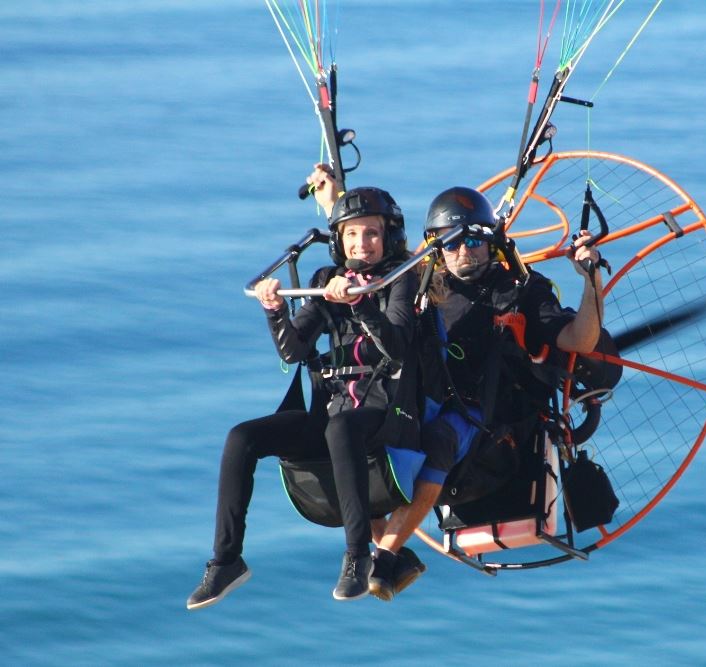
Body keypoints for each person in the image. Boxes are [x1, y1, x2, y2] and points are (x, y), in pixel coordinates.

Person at [186, 165, 420, 609]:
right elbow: (293, 351)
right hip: (331, 414)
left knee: (340, 429)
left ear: (388, 237)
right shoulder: (322, 281)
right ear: (339, 240)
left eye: (371, 234)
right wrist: (275, 310)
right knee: (243, 437)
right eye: (351, 236)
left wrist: (363, 302)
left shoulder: (399, 279)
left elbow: (397, 346)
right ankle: (225, 561)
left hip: (384, 413)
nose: (361, 244)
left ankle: (357, 557)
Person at [366, 186, 605, 601]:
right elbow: (368, 250)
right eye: (453, 243)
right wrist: (336, 197)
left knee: (438, 440)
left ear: (490, 243)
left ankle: (385, 556)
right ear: (436, 248)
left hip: (492, 433)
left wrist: (591, 278)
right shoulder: (424, 288)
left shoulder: (521, 290)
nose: (465, 252)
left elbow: (580, 339)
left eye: (474, 241)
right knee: (360, 432)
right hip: (432, 408)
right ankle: (384, 549)